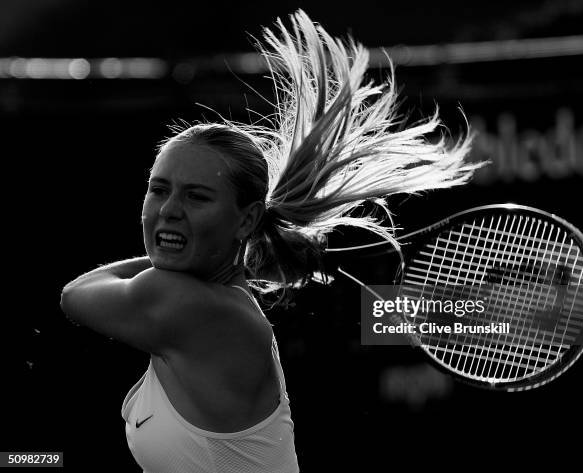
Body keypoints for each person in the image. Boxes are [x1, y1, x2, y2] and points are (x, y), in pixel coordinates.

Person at [60, 10, 479, 473]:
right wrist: (244, 249)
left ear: (247, 220)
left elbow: (76, 295)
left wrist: (250, 253)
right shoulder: (214, 303)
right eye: (159, 189)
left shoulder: (179, 301)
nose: (169, 209)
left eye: (197, 197)